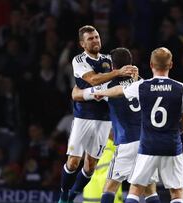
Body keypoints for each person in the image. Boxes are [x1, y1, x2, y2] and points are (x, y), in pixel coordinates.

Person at [93, 47, 183, 203]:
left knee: (121, 188)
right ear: (171, 64)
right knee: (163, 191)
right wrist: (173, 134)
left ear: (151, 64)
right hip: (164, 142)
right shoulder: (172, 86)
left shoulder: (140, 86)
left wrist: (99, 93)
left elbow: (118, 90)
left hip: (137, 143)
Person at [58, 25, 137, 203]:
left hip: (104, 118)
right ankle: (63, 196)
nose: (95, 40)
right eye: (90, 38)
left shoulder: (109, 60)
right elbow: (92, 79)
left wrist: (131, 74)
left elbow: (124, 81)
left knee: (90, 166)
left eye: (97, 37)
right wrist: (116, 73)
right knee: (73, 162)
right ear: (82, 44)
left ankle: (72, 195)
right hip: (83, 116)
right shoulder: (79, 60)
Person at [72, 47, 160, 203]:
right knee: (149, 190)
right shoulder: (142, 82)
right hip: (148, 143)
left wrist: (78, 87)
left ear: (112, 67)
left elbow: (77, 95)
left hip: (127, 143)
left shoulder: (108, 86)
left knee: (109, 188)